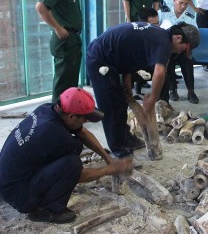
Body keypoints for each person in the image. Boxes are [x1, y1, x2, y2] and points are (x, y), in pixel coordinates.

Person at [0, 87, 133, 224]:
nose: (86, 121)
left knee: (70, 152)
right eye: (84, 118)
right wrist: (110, 170)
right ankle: (45, 210)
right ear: (71, 116)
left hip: (8, 180)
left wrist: (108, 159)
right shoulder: (55, 134)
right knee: (72, 164)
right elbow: (78, 175)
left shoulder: (47, 109)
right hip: (19, 196)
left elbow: (81, 132)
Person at [86, 22, 199, 158]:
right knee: (111, 106)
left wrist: (127, 79)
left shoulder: (159, 34)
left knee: (121, 102)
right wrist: (152, 98)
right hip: (99, 59)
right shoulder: (164, 42)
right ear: (179, 38)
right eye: (183, 49)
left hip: (114, 58)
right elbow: (160, 72)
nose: (180, 52)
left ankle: (126, 138)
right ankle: (120, 150)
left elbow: (129, 51)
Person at [35, 0, 82, 103]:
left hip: (72, 38)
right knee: (63, 82)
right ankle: (58, 115)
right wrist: (57, 27)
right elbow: (41, 7)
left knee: (71, 79)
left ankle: (70, 112)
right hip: (64, 39)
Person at [120, 0, 161, 95]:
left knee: (146, 50)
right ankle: (134, 83)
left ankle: (142, 81)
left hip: (149, 21)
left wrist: (155, 19)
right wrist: (129, 19)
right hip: (134, 20)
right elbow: (126, 0)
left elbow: (156, 0)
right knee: (133, 51)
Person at [159, 0, 200, 104]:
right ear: (174, 0)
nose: (183, 6)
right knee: (169, 62)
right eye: (180, 3)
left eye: (186, 4)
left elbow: (194, 34)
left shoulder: (190, 16)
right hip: (166, 48)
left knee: (187, 60)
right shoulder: (163, 13)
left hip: (183, 49)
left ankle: (191, 91)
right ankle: (172, 89)